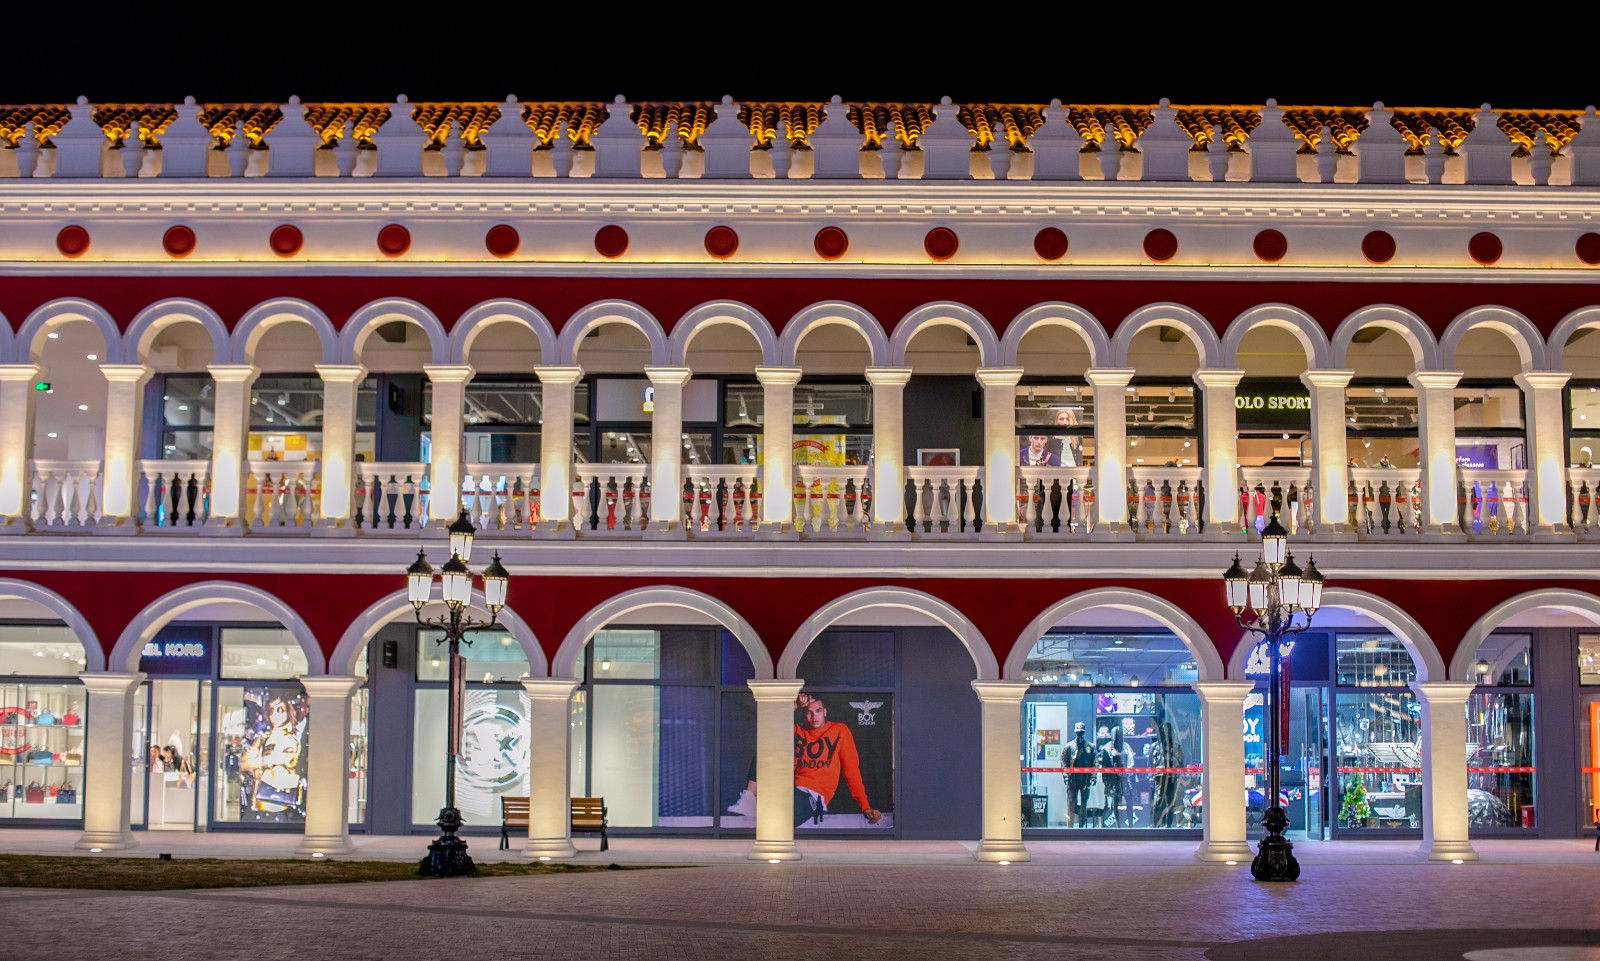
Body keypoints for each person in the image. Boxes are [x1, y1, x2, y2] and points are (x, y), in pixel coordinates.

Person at [792, 693, 881, 827]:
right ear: (803, 714)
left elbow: (851, 771)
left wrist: (865, 806)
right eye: (809, 712)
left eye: (818, 711)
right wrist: (795, 705)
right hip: (791, 789)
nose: (814, 716)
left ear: (825, 712)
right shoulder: (797, 730)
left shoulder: (838, 730)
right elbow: (772, 727)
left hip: (814, 795)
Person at [239, 696, 304, 817]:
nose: (275, 715)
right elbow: (243, 764)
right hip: (259, 799)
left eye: (280, 710)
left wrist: (258, 763)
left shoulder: (290, 739)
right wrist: (259, 743)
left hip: (279, 801)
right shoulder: (265, 737)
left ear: (288, 712)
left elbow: (275, 759)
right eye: (271, 711)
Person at [1062, 721, 1096, 828]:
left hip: (1085, 779)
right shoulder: (1069, 747)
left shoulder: (1090, 746)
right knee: (1071, 803)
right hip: (1073, 778)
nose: (1079, 734)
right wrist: (1066, 777)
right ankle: (1070, 826)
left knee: (1084, 804)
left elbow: (1095, 763)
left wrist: (1093, 777)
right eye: (1078, 732)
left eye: (1081, 732)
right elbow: (1064, 763)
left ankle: (1082, 827)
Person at [1099, 728, 1130, 827]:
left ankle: (1130, 825)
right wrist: (1105, 780)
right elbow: (1104, 766)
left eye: (1120, 735)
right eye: (1117, 736)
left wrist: (1128, 774)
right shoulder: (1106, 748)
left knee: (1129, 801)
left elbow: (1131, 761)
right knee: (1114, 802)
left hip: (1125, 778)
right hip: (1112, 780)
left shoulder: (1126, 747)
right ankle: (1118, 825)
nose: (1119, 738)